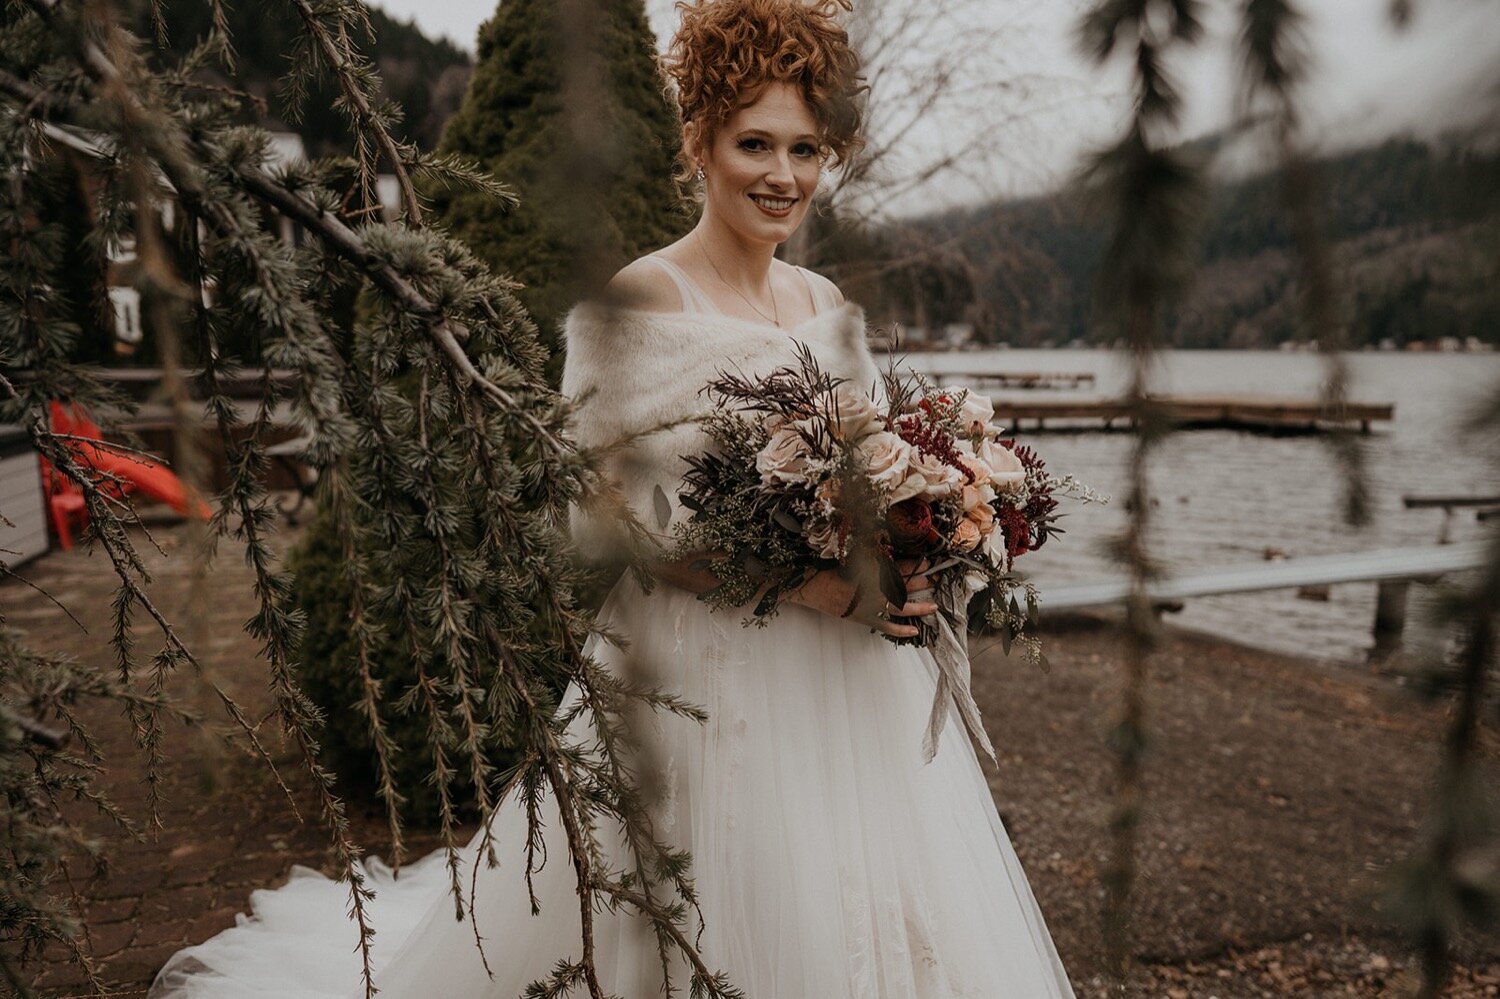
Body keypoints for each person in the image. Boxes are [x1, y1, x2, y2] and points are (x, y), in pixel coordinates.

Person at [149, 1, 1076, 996]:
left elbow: (880, 483)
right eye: (754, 142)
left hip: (856, 691)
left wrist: (924, 552)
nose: (783, 175)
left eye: (806, 148)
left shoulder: (829, 310)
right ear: (700, 143)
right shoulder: (637, 301)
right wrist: (807, 589)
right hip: (702, 681)